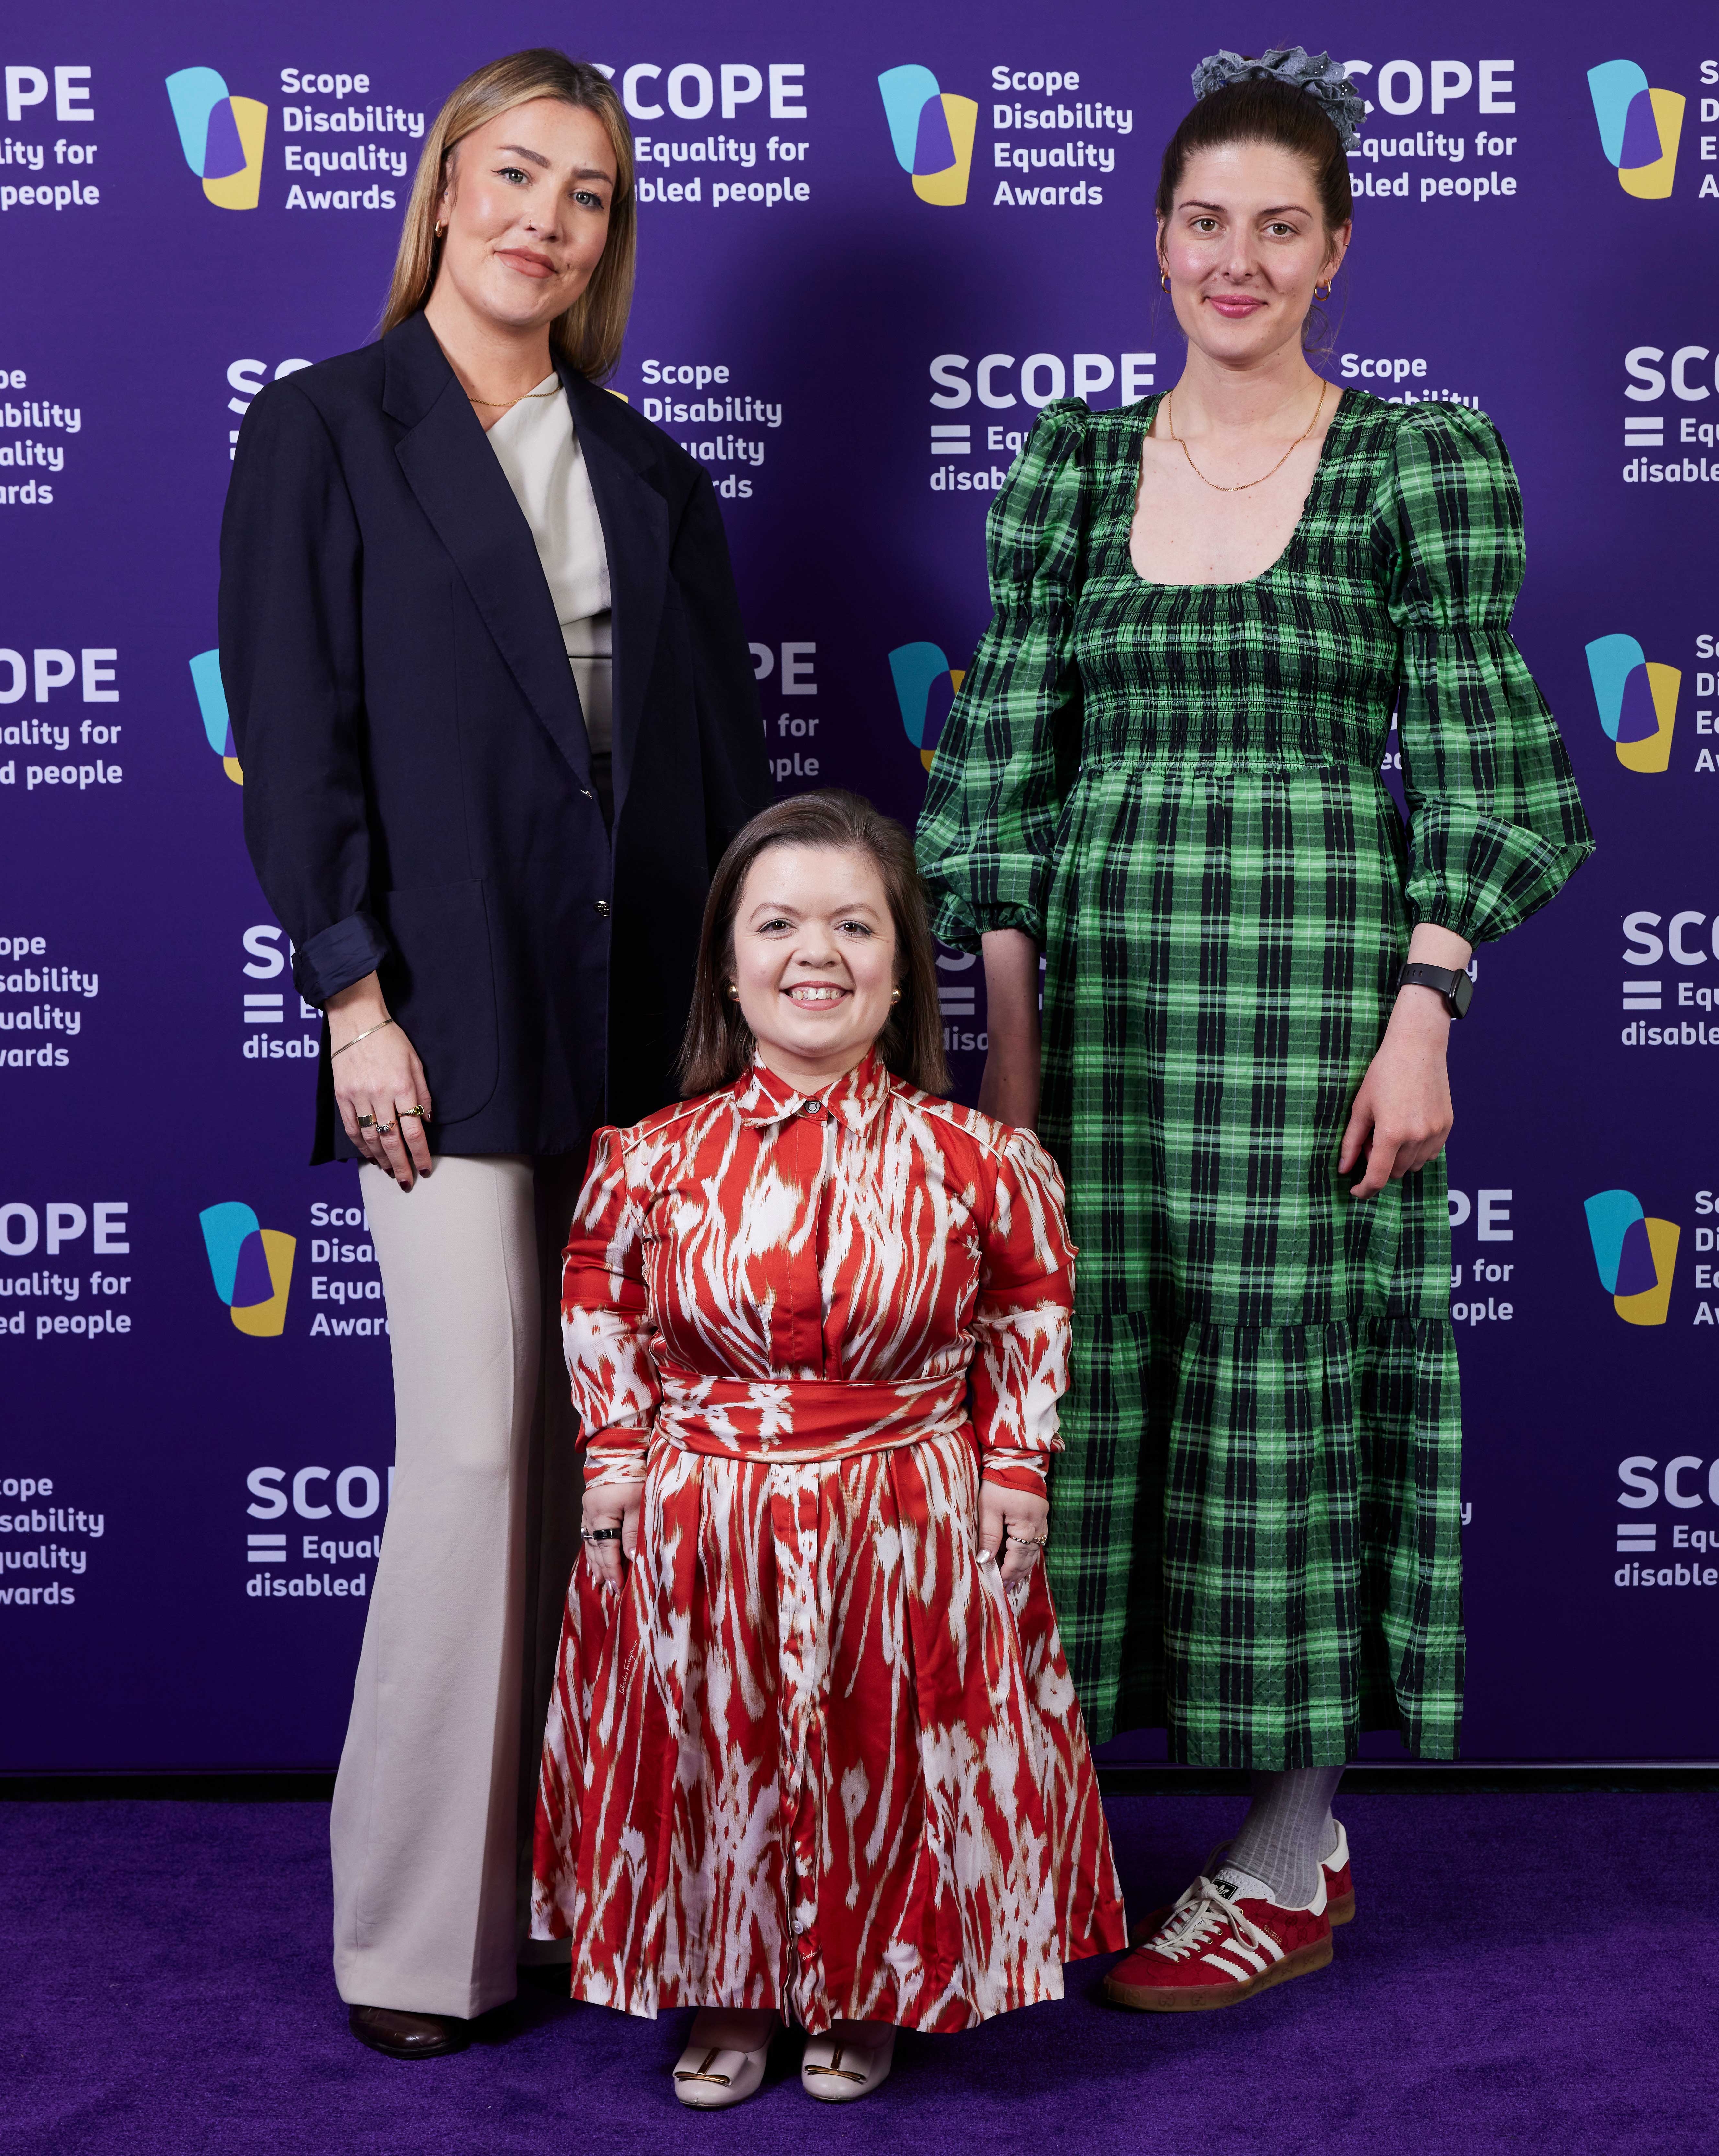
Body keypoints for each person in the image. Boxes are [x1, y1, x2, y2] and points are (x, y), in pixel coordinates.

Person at [916, 48, 1593, 2011]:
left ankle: (1292, 1855)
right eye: (1206, 222)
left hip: (1314, 1008)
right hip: (1103, 1014)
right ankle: (1031, 1839)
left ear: (1335, 250)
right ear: (1157, 243)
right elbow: (1000, 779)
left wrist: (1426, 1012)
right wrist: (1009, 1063)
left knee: (1288, 1397)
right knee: (1068, 1390)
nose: (1239, 259)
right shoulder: (1070, 466)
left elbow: (1488, 763)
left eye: (1279, 227)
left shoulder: (1414, 464)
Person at [219, 49, 770, 2058]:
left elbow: (718, 776)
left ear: (611, 236)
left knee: (595, 1482)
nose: (546, 219)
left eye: (588, 193)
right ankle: (412, 1941)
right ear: (447, 187)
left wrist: (747, 1053)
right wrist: (352, 1002)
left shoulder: (651, 473)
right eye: (517, 175)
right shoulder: (324, 428)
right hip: (437, 1025)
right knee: (469, 1454)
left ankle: (562, 1891)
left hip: (646, 1038)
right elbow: (297, 741)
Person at [530, 791, 1126, 2105]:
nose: (818, 953)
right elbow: (600, 1303)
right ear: (727, 965)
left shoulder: (981, 1161)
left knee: (881, 1753)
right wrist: (616, 1464)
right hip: (705, 1511)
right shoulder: (647, 1161)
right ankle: (729, 1984)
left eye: (856, 925)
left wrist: (1016, 1467)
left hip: (906, 1511)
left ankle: (867, 1985)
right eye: (779, 924)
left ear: (903, 969)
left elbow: (1030, 1306)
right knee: (719, 1754)